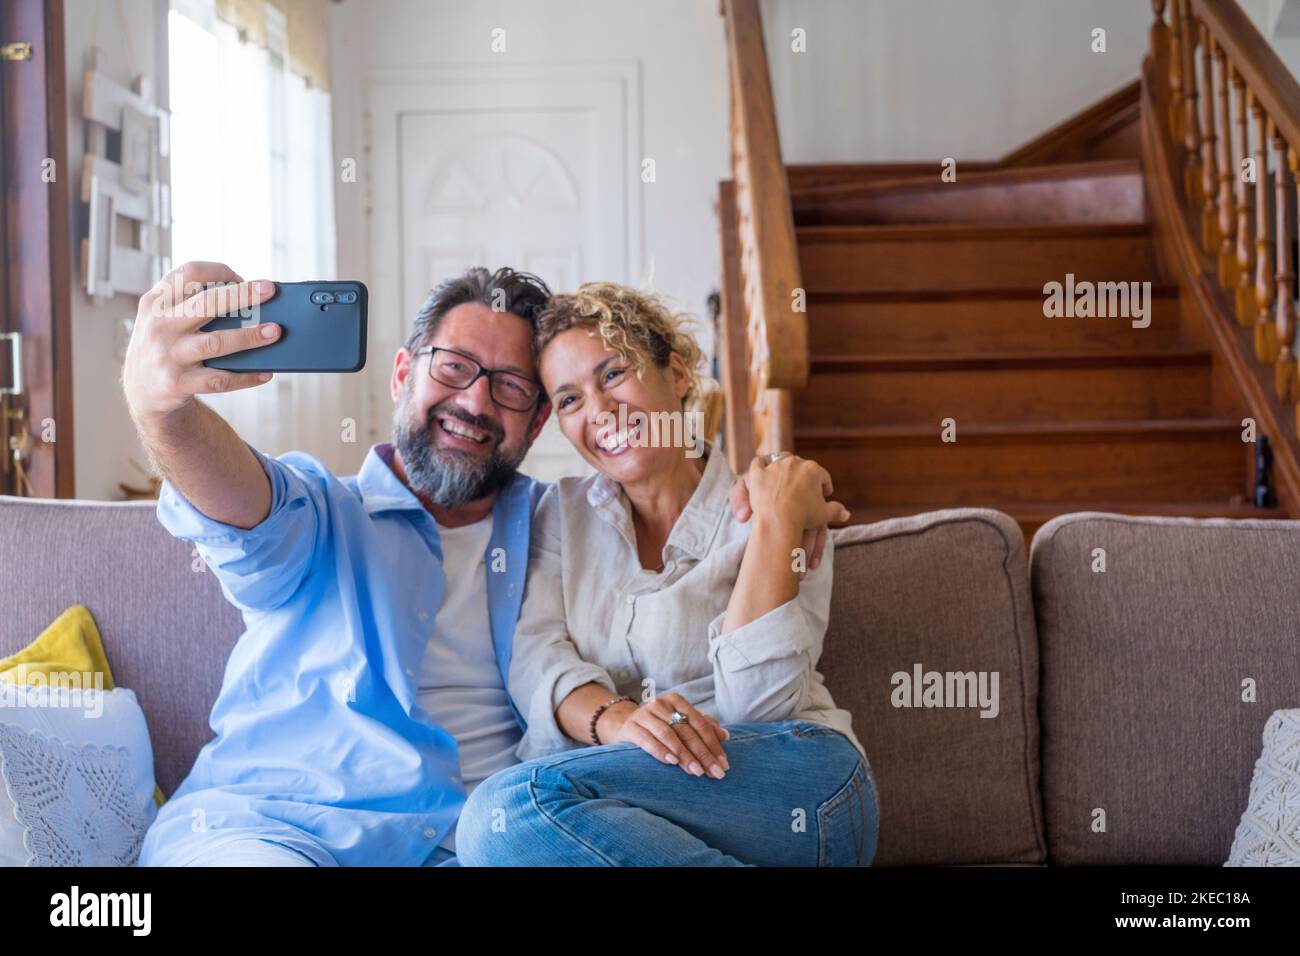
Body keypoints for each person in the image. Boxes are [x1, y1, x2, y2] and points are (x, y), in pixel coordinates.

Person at [127, 260, 553, 866]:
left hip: (469, 847)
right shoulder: (317, 510)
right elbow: (243, 510)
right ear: (403, 374)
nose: (474, 400)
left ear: (537, 418)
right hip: (272, 831)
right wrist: (163, 413)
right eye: (453, 367)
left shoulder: (562, 532)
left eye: (509, 386)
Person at [456, 282, 879, 866]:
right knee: (503, 819)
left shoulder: (774, 503)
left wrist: (777, 525)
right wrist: (620, 719)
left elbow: (759, 710)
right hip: (646, 802)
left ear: (678, 374)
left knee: (502, 813)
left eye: (612, 375)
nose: (600, 411)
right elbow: (536, 657)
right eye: (571, 399)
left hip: (798, 782)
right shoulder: (562, 513)